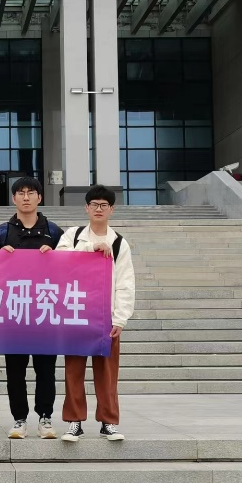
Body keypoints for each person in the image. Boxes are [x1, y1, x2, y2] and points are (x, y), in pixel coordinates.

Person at [56, 184, 135, 442]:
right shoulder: (73, 235)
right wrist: (91, 248)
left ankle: (108, 422)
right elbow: (59, 260)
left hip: (105, 317)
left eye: (104, 205)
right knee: (73, 371)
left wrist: (120, 318)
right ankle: (74, 421)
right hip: (76, 313)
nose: (98, 209)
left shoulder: (119, 243)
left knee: (107, 373)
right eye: (94, 204)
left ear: (112, 209)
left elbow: (125, 283)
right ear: (86, 208)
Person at [0, 176, 64, 440]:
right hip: (14, 312)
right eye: (20, 193)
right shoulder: (1, 233)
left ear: (39, 197)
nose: (25, 197)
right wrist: (0, 257)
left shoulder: (55, 232)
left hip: (45, 311)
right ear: (13, 198)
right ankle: (19, 419)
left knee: (46, 370)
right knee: (15, 371)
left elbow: (68, 269)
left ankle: (45, 417)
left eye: (30, 192)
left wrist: (54, 258)